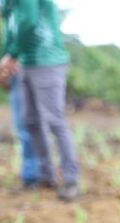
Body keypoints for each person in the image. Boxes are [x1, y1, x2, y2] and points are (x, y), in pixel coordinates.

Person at [0, 0, 79, 201]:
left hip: (47, 61)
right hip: (26, 63)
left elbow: (29, 22)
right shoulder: (9, 5)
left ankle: (71, 179)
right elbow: (11, 28)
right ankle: (46, 175)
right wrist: (8, 59)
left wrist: (12, 55)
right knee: (31, 122)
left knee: (55, 121)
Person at [1, 0, 40, 188]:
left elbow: (29, 24)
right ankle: (32, 174)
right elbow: (10, 40)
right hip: (16, 70)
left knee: (28, 125)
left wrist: (13, 56)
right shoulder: (9, 12)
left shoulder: (21, 8)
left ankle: (34, 175)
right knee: (23, 125)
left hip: (29, 67)